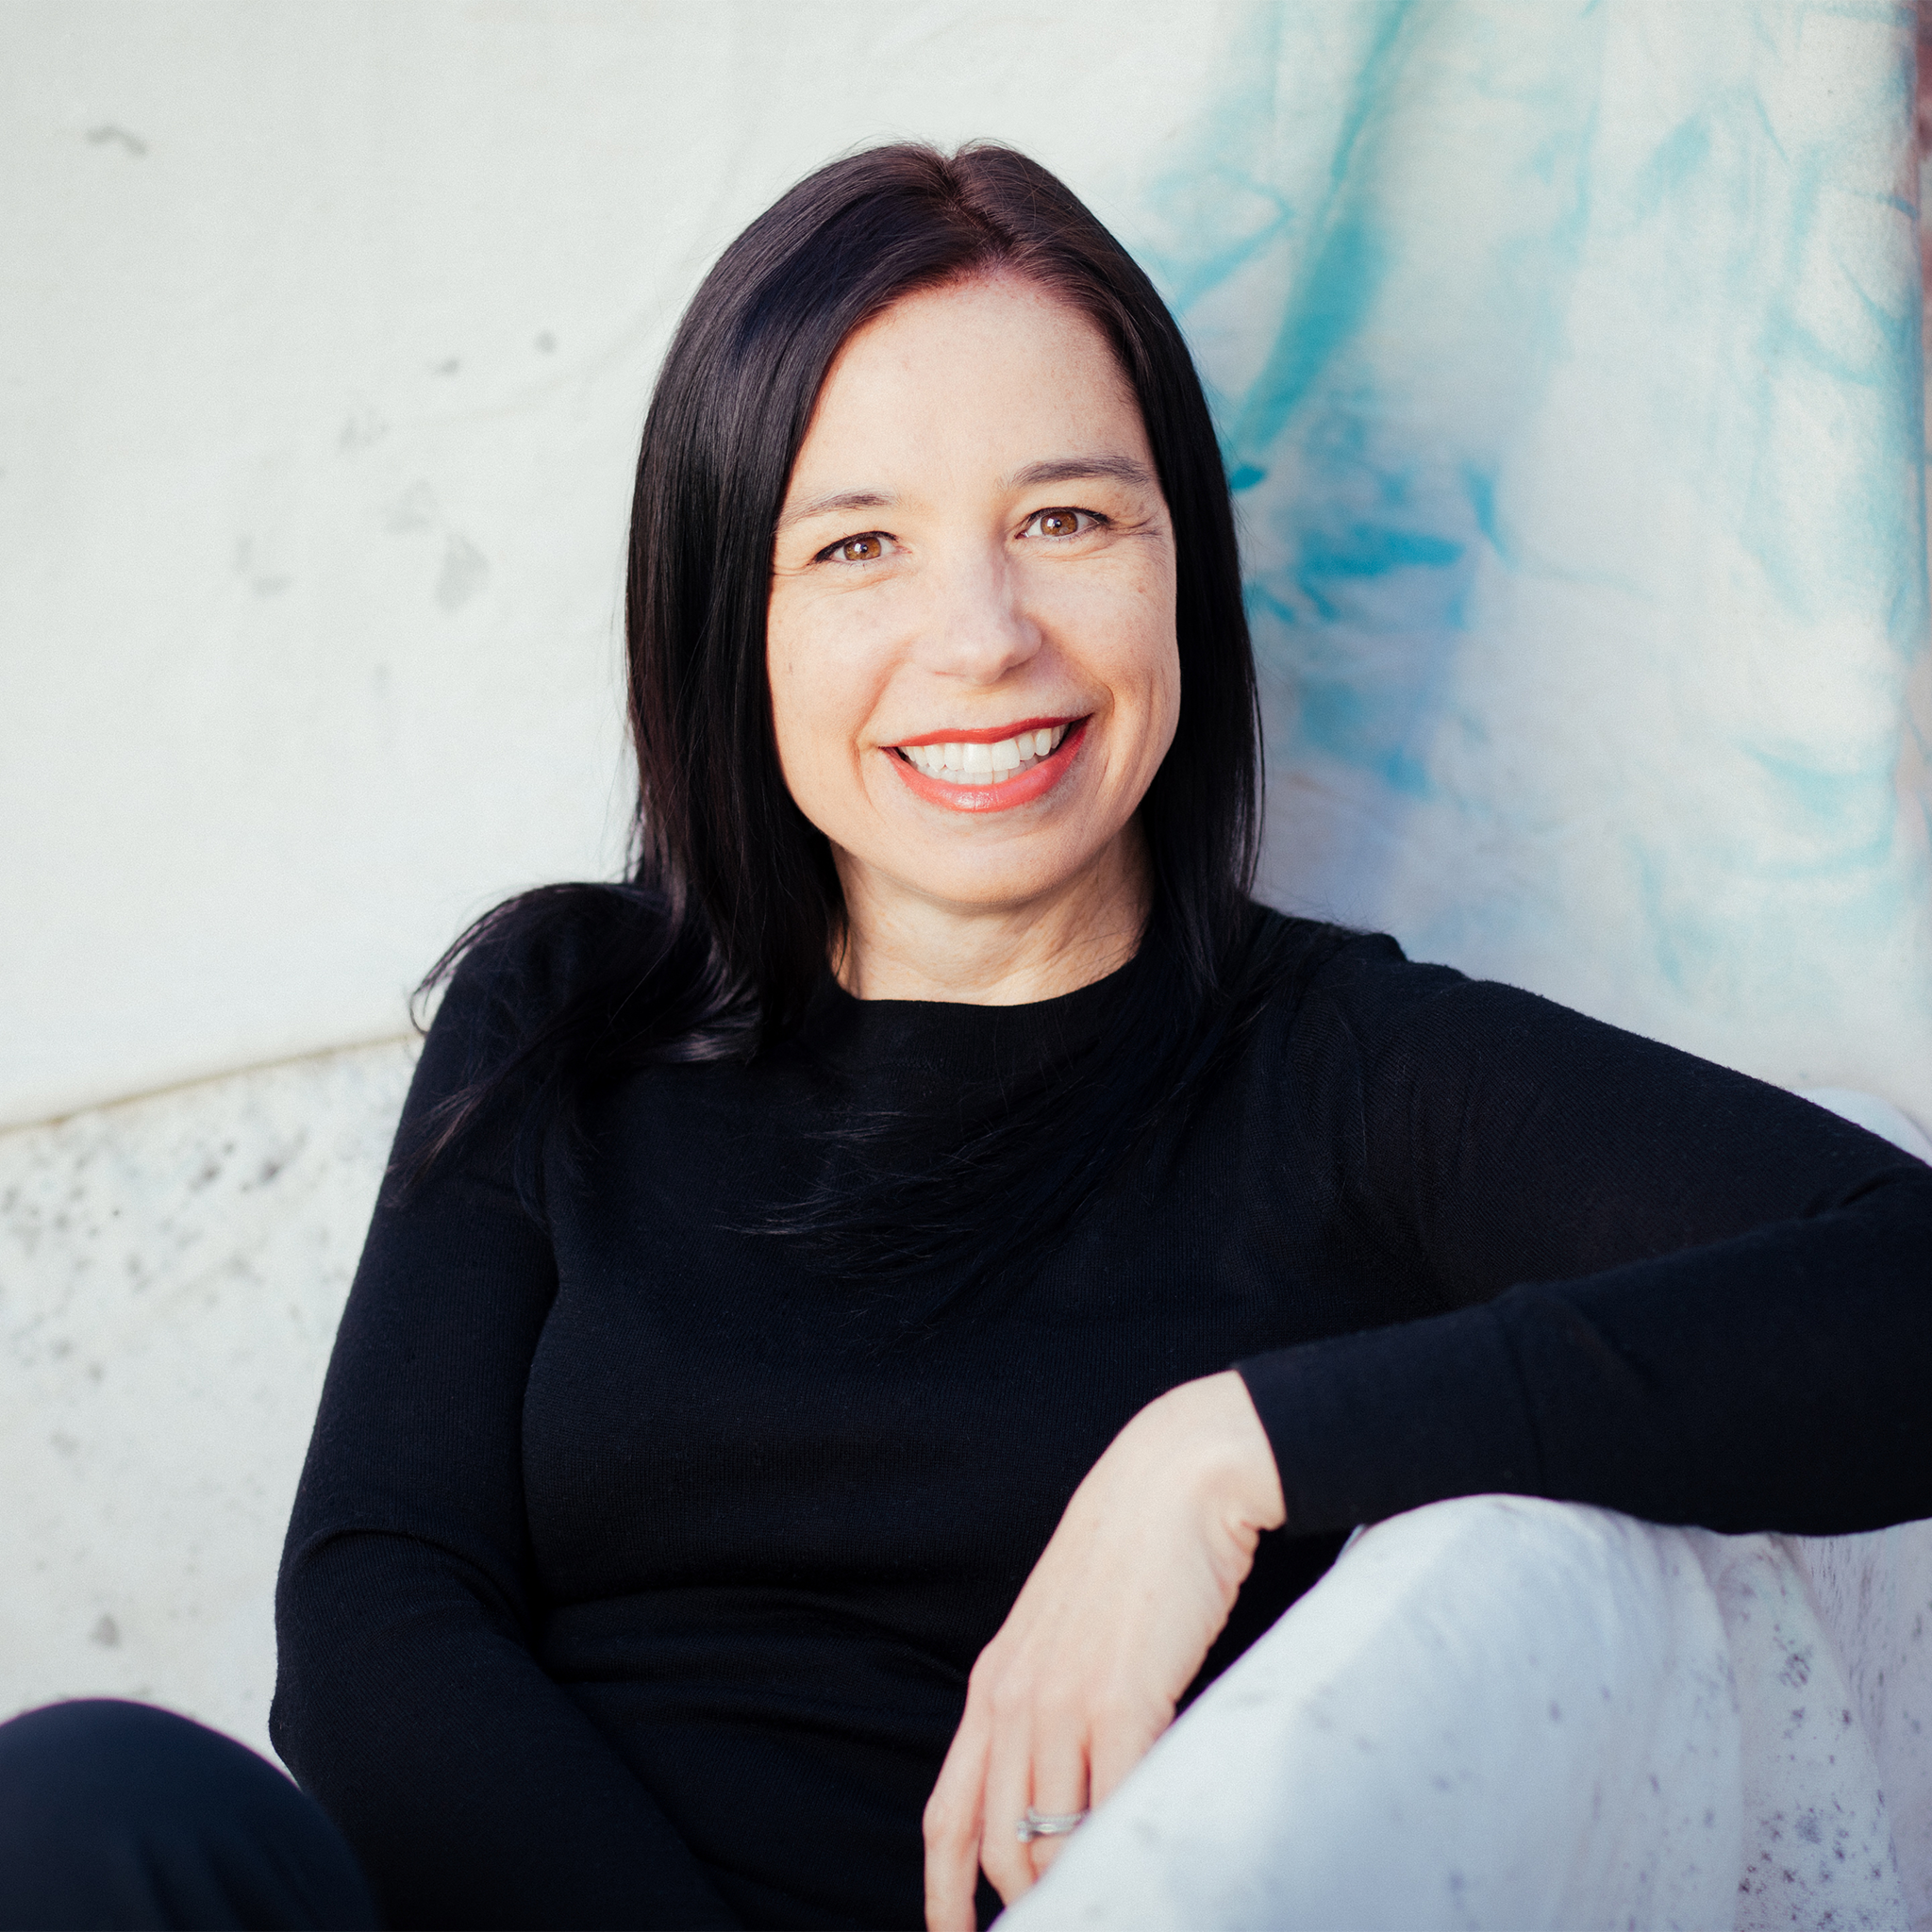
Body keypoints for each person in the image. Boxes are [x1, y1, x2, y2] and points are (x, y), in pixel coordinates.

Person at [6, 140, 1926, 1932]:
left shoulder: (1342, 1071)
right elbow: (369, 1611)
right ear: (723, 614)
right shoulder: (571, 1009)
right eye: (858, 548)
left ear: (1181, 566)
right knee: (82, 1801)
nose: (984, 633)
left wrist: (1230, 1448)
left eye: (1067, 517)